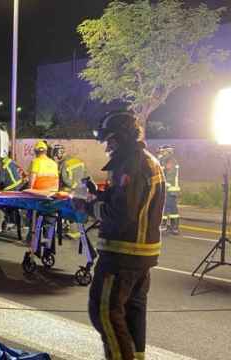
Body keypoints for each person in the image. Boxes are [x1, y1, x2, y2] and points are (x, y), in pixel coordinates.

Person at [84, 111, 165, 360]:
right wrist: (100, 195)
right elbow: (131, 203)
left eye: (111, 140)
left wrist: (87, 207)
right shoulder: (146, 160)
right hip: (140, 256)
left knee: (105, 312)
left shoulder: (130, 163)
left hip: (123, 255)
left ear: (122, 137)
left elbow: (123, 213)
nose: (108, 146)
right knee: (131, 313)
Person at [0, 150, 27, 235]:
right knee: (14, 205)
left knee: (2, 204)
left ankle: (3, 225)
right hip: (20, 184)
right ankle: (17, 222)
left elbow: (1, 179)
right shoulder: (6, 159)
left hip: (11, 186)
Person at [157, 145, 180, 234]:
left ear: (168, 151)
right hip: (167, 188)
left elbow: (170, 175)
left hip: (170, 189)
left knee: (172, 208)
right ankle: (168, 226)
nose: (161, 153)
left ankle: (174, 227)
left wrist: (166, 186)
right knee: (166, 207)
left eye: (163, 151)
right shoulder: (164, 160)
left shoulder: (170, 160)